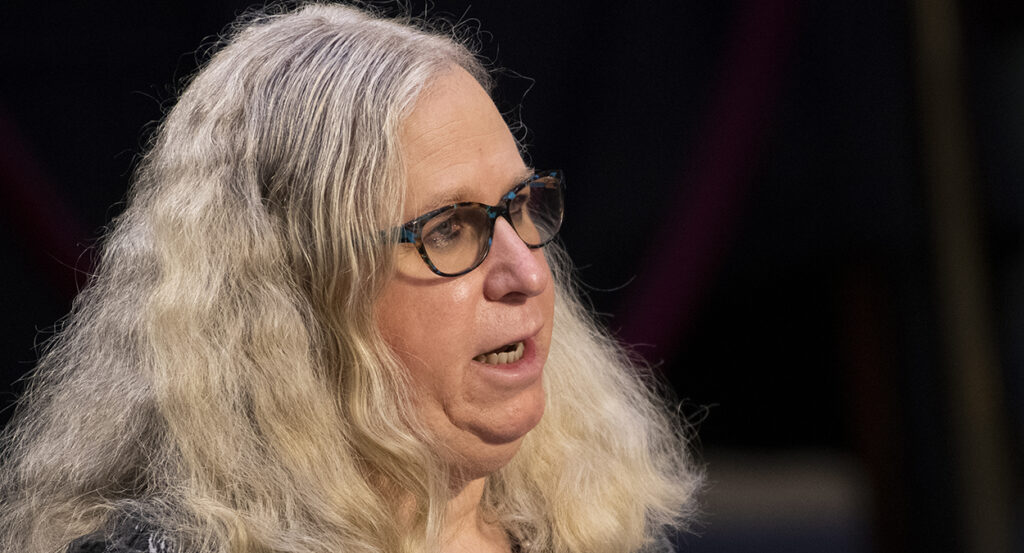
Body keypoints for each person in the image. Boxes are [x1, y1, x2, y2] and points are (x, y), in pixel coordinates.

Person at [0, 4, 701, 553]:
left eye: (520, 207)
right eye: (449, 229)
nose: (524, 272)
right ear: (294, 293)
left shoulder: (595, 534)